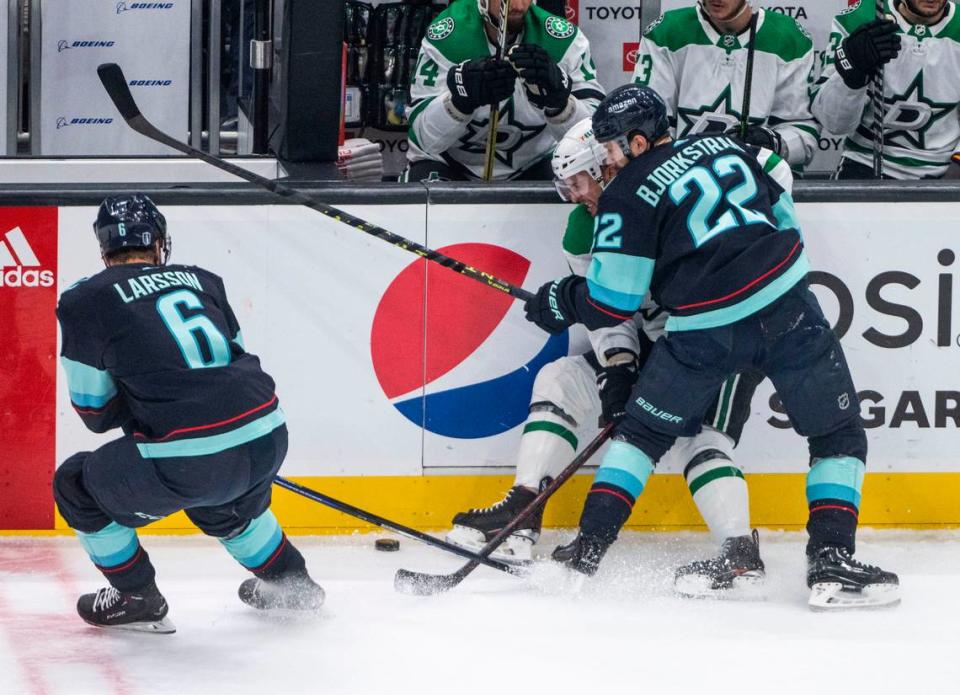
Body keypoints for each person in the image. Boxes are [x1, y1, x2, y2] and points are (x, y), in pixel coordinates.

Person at [522, 85, 900, 610]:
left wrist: (563, 300)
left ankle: (586, 552)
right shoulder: (729, 146)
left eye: (608, 148)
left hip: (705, 331)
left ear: (636, 143)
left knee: (640, 435)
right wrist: (780, 271)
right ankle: (833, 562)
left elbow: (614, 303)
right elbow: (781, 202)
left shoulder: (628, 192)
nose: (605, 160)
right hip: (788, 309)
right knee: (837, 435)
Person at [447, 117, 765, 596]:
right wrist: (619, 369)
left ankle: (741, 554)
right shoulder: (585, 228)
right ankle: (523, 511)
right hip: (663, 347)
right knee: (561, 379)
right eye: (566, 187)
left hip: (719, 337)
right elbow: (607, 310)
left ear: (607, 168)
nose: (574, 195)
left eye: (578, 182)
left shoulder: (667, 194)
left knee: (699, 439)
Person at [53, 194, 324, 633]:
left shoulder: (85, 300)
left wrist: (139, 391)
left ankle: (136, 594)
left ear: (104, 250)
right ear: (160, 243)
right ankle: (292, 584)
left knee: (75, 484)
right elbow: (226, 361)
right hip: (267, 434)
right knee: (224, 503)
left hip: (194, 457)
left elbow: (95, 413)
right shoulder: (203, 280)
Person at [404, 0, 604, 181]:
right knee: (420, 191)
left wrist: (560, 104)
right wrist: (459, 102)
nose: (517, 6)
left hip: (536, 162)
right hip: (450, 164)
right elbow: (423, 140)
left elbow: (597, 137)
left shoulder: (564, 40)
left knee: (579, 183)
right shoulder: (447, 36)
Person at [634, 0, 819, 170]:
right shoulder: (665, 32)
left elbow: (804, 134)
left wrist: (774, 142)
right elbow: (644, 127)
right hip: (679, 188)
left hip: (760, 189)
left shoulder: (790, 40)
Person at [812, 0, 960, 179]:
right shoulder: (859, 19)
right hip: (865, 161)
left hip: (944, 169)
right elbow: (834, 124)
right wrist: (854, 77)